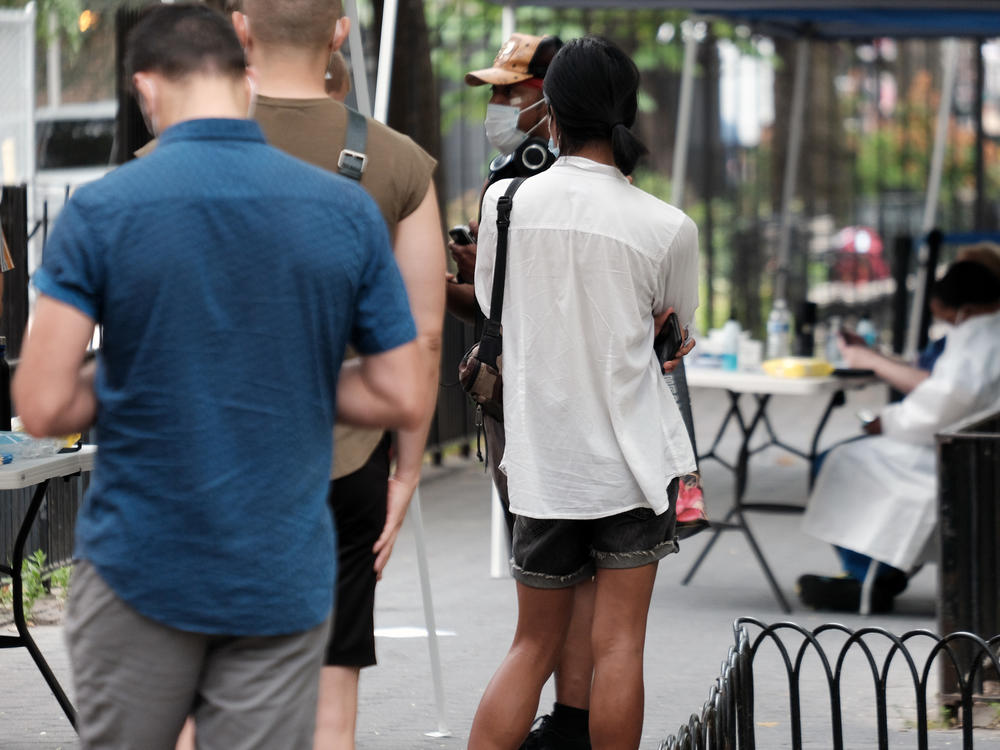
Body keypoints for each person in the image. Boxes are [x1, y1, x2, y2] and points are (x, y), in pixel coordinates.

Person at [11, 5, 425, 749]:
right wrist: (288, 374)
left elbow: (41, 403)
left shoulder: (104, 210)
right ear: (244, 76)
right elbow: (401, 389)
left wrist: (150, 377)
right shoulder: (344, 211)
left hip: (138, 567)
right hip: (280, 573)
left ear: (146, 89)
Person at [467, 36, 699, 750]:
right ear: (627, 112)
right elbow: (675, 333)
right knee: (618, 648)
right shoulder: (666, 226)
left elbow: (489, 302)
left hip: (542, 465)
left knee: (529, 647)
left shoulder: (506, 206)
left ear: (552, 111)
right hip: (631, 467)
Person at [232, 1, 445, 748]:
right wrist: (407, 470)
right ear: (341, 31)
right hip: (345, 457)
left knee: (206, 689)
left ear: (240, 28)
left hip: (212, 462)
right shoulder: (396, 161)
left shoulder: (176, 154)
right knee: (331, 700)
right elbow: (422, 335)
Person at [799, 260, 1000, 613]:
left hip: (963, 454)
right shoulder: (988, 331)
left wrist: (887, 422)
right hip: (976, 446)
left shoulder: (978, 335)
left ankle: (867, 575)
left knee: (838, 460)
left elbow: (944, 404)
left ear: (963, 309)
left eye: (944, 317)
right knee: (855, 456)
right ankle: (883, 568)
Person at [835, 242, 1000, 393]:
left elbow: (938, 389)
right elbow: (921, 367)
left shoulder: (980, 344)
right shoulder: (962, 336)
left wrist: (872, 360)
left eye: (964, 274)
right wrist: (873, 356)